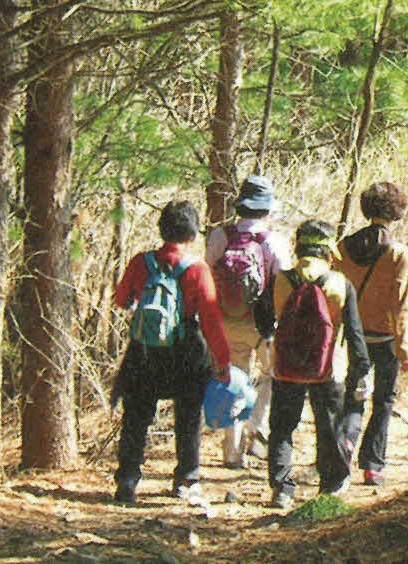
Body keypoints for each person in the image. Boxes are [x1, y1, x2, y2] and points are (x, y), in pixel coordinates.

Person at [111, 199, 231, 507]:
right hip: (187, 353)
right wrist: (222, 360)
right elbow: (211, 319)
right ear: (192, 233)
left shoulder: (140, 262)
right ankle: (185, 480)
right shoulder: (197, 270)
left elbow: (121, 299)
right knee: (188, 417)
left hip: (143, 351)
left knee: (135, 418)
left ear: (162, 229)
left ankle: (127, 481)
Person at [268, 219, 369, 512]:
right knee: (328, 427)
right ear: (328, 251)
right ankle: (329, 486)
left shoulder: (281, 280)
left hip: (285, 365)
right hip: (328, 367)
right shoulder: (340, 283)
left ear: (297, 247)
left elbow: (263, 316)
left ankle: (281, 488)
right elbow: (354, 332)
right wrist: (362, 368)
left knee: (282, 427)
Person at [336, 181, 408, 487]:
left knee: (353, 395)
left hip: (354, 336)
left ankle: (344, 447)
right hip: (385, 338)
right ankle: (372, 466)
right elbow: (400, 305)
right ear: (396, 212)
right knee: (383, 400)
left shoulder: (343, 246)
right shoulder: (397, 252)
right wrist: (405, 350)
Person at [206, 174, 286, 467]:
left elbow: (207, 272)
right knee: (272, 375)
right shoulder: (273, 241)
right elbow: (284, 283)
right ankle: (257, 431)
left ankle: (232, 450)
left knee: (234, 380)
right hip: (263, 324)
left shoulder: (220, 236)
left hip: (227, 321)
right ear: (267, 208)